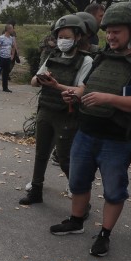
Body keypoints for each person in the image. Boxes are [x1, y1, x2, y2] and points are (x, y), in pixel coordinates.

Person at [48, 1, 131, 257]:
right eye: (108, 31)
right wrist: (73, 95)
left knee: (113, 190)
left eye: (116, 31)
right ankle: (76, 221)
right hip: (86, 132)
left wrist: (108, 98)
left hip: (116, 139)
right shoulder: (102, 57)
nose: (110, 36)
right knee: (77, 181)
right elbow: (86, 88)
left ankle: (105, 234)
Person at [21, 14, 94, 205]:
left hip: (67, 114)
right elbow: (34, 82)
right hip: (46, 109)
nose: (62, 41)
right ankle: (36, 190)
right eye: (60, 37)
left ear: (78, 37)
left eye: (67, 37)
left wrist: (56, 85)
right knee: (41, 152)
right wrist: (41, 79)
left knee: (65, 158)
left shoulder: (85, 61)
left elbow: (81, 90)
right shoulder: (53, 57)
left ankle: (80, 195)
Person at [0, 24, 16, 93]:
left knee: (6, 73)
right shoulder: (0, 38)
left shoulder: (11, 38)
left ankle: (5, 88)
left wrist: (12, 55)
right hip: (0, 57)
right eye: (12, 29)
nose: (13, 30)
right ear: (8, 29)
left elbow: (13, 47)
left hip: (7, 58)